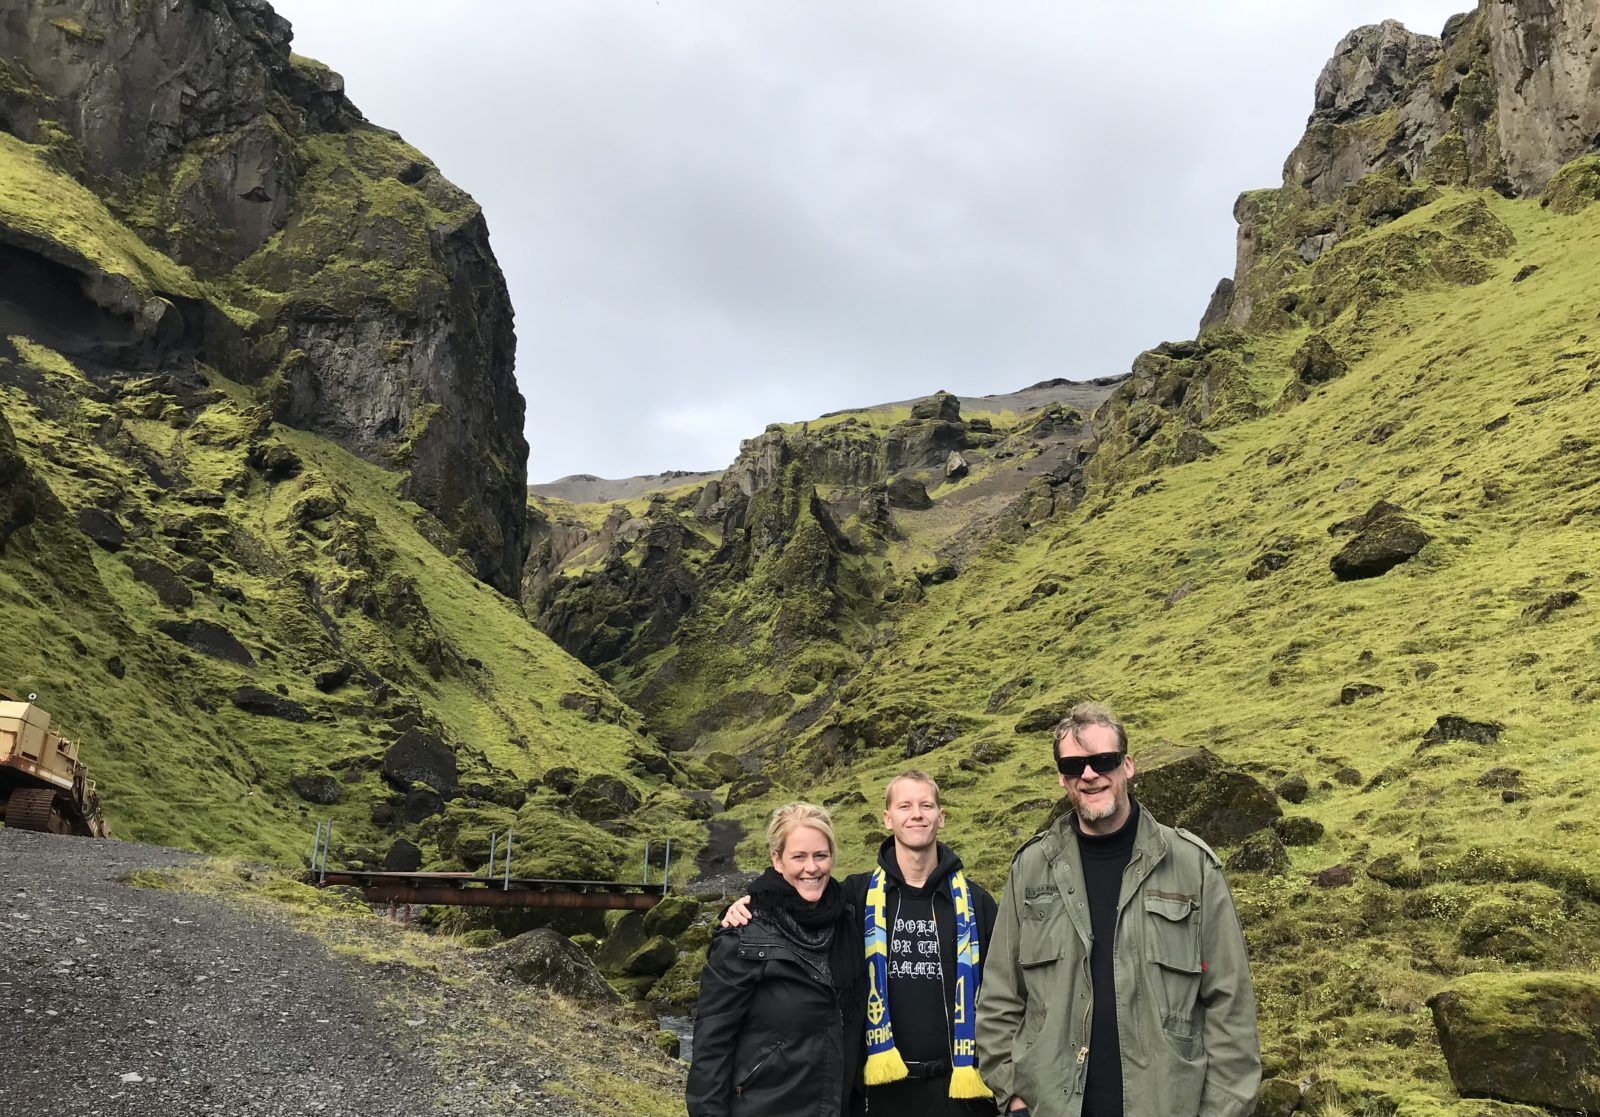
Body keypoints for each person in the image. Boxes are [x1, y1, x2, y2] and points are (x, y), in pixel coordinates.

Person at [975, 702, 1261, 1117]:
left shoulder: (1192, 867)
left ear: (1127, 766)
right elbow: (999, 997)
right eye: (1074, 766)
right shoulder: (1031, 869)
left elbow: (1231, 1004)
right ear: (1062, 777)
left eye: (1103, 761)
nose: (1089, 775)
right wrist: (1014, 1097)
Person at [722, 770, 999, 1116]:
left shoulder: (977, 903)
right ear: (887, 818)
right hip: (876, 1094)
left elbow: (1004, 993)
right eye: (905, 806)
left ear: (941, 817)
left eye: (926, 805)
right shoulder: (856, 895)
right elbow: (800, 895)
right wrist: (750, 903)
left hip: (961, 1093)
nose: (916, 814)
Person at [687, 802, 864, 1117]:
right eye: (799, 856)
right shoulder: (744, 935)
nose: (812, 868)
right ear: (777, 860)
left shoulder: (850, 920)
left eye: (820, 856)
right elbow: (711, 1047)